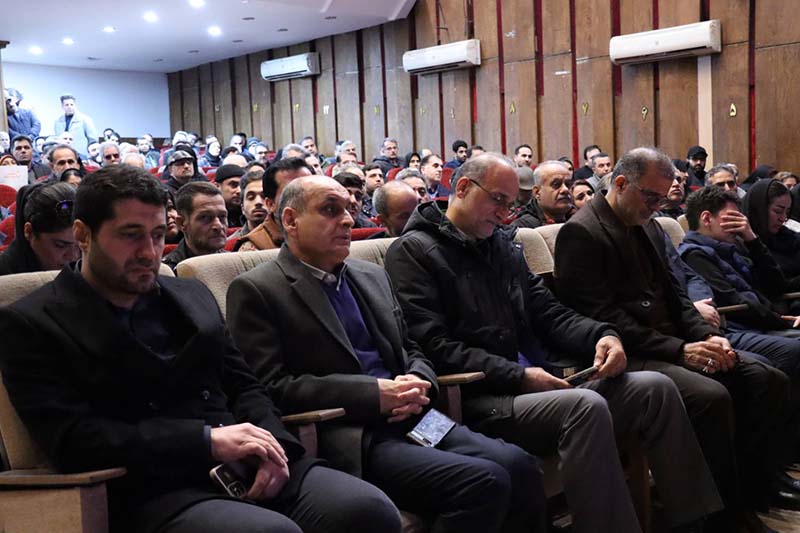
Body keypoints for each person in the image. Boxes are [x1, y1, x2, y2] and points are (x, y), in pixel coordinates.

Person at [0, 164, 402, 533]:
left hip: (247, 463)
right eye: (130, 235)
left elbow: (247, 386)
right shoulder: (31, 321)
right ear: (83, 235)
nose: (149, 252)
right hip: (156, 488)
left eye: (158, 234)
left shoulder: (190, 294)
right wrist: (206, 439)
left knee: (367, 509)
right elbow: (74, 440)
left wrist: (274, 448)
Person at [384, 153, 722, 533]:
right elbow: (434, 346)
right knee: (584, 406)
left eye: (510, 204)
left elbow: (551, 314)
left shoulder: (500, 247)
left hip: (543, 380)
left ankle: (696, 525)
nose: (505, 214)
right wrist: (519, 376)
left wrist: (603, 335)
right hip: (481, 398)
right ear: (462, 188)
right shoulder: (413, 252)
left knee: (655, 388)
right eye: (498, 200)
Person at [228, 175, 546, 533]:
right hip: (355, 434)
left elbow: (411, 347)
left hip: (418, 419)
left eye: (348, 210)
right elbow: (272, 387)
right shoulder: (257, 289)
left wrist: (419, 380)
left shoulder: (371, 275)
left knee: (519, 464)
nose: (347, 220)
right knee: (483, 480)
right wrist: (371, 394)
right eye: (330, 210)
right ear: (290, 220)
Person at [554, 146, 790, 531]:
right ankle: (716, 517)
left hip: (671, 342)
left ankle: (753, 491)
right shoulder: (581, 232)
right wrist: (681, 349)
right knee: (710, 396)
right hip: (628, 352)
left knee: (765, 378)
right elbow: (603, 319)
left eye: (661, 199)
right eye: (650, 197)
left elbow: (677, 296)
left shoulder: (648, 223)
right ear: (620, 183)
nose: (656, 207)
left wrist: (708, 335)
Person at [678, 186, 800, 377]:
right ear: (707, 219)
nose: (739, 224)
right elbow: (734, 301)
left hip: (760, 323)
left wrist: (752, 239)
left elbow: (776, 286)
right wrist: (783, 321)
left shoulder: (733, 247)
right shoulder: (695, 255)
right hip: (734, 328)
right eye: (732, 218)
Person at [0, 182, 79, 276]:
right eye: (60, 245)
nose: (73, 256)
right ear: (29, 232)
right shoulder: (4, 278)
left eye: (80, 245)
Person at [235, 158, 312, 252]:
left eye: (310, 189)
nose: (305, 197)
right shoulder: (253, 248)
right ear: (271, 204)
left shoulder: (325, 228)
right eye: (293, 192)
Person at [162, 182, 228, 272]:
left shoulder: (238, 264)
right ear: (181, 223)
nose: (218, 225)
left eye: (222, 216)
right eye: (205, 217)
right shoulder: (168, 273)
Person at [744, 178, 800, 281]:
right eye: (778, 211)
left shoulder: (789, 238)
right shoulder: (743, 243)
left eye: (787, 212)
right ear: (759, 209)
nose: (783, 218)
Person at [510, 160, 572, 228]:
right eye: (556, 184)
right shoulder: (522, 228)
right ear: (537, 192)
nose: (565, 189)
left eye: (568, 184)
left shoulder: (577, 220)